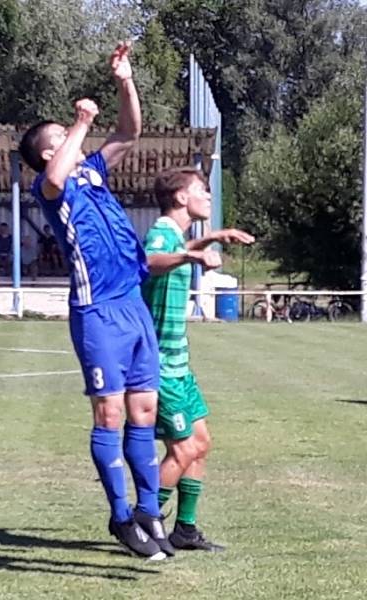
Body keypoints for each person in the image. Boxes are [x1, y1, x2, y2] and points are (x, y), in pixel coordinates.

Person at [19, 42, 169, 559]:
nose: (73, 136)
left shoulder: (95, 172)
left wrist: (125, 81)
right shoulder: (49, 186)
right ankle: (121, 516)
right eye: (60, 136)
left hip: (132, 304)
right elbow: (59, 174)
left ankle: (150, 511)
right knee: (108, 416)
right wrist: (79, 123)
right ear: (46, 151)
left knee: (144, 410)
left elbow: (130, 132)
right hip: (97, 311)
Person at [141, 167, 254, 552]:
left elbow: (176, 250)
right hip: (159, 366)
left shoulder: (177, 234)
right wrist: (194, 255)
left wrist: (212, 238)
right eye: (202, 190)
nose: (208, 196)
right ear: (180, 198)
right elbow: (151, 259)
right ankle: (142, 521)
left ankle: (184, 530)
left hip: (180, 364)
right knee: (184, 448)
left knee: (201, 443)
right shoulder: (161, 231)